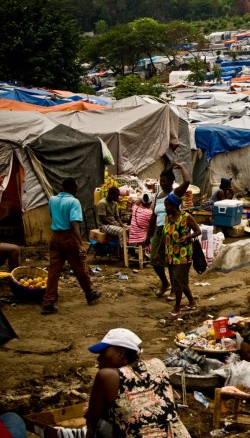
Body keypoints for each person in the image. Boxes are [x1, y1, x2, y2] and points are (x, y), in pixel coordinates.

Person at [85, 328, 190, 438]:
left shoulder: (107, 376)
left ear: (121, 354)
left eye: (102, 353)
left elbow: (93, 419)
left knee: (101, 427)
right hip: (176, 434)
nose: (99, 358)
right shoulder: (157, 364)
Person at [42, 178, 102, 315]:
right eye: (76, 188)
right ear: (73, 189)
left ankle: (48, 302)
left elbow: (52, 216)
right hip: (68, 237)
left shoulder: (52, 200)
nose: (77, 190)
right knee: (79, 267)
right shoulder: (74, 202)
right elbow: (74, 223)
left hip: (55, 236)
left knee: (54, 270)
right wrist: (80, 243)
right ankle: (90, 293)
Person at [145, 163, 190, 299]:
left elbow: (187, 181)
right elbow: (154, 215)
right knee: (154, 260)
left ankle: (174, 290)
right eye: (161, 180)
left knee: (171, 262)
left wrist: (181, 167)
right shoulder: (159, 194)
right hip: (159, 230)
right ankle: (165, 283)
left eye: (165, 181)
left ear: (171, 182)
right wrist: (148, 234)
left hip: (172, 230)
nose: (162, 183)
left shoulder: (175, 193)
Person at [163, 193, 201, 319]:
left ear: (173, 206)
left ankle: (177, 308)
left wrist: (187, 237)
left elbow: (198, 231)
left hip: (184, 255)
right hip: (171, 254)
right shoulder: (168, 218)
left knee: (178, 281)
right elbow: (165, 236)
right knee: (179, 280)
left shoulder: (186, 217)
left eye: (167, 206)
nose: (165, 208)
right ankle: (192, 302)